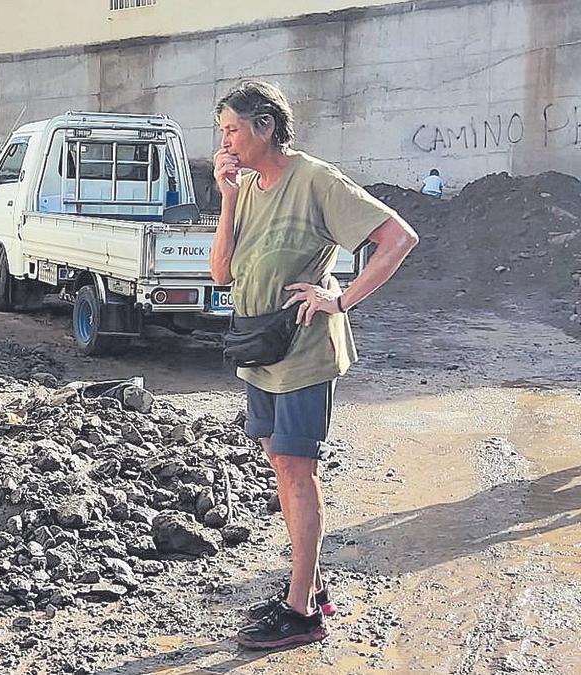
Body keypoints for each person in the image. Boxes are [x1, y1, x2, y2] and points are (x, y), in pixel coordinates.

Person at [208, 80, 418, 649]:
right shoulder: (248, 187)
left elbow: (398, 237)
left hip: (303, 351)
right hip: (260, 348)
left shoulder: (316, 179)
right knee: (283, 467)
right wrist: (227, 196)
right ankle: (310, 587)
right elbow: (221, 274)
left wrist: (340, 298)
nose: (224, 141)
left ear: (265, 127)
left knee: (297, 473)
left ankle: (302, 611)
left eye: (231, 129)